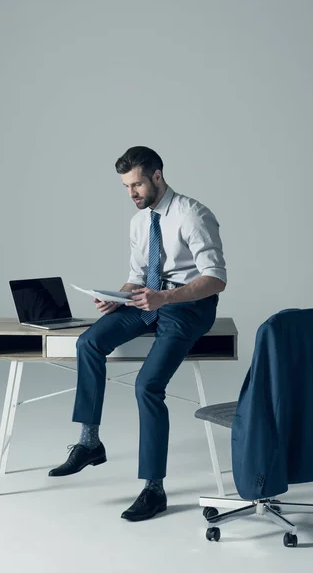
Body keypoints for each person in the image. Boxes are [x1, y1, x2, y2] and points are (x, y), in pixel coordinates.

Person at [48, 146, 227, 521]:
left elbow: (215, 279)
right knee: (89, 341)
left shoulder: (193, 215)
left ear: (157, 176)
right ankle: (89, 442)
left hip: (188, 305)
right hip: (148, 299)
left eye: (137, 184)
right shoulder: (139, 221)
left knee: (147, 385)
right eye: (126, 186)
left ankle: (154, 489)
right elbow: (137, 275)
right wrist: (116, 297)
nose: (131, 193)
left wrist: (165, 297)